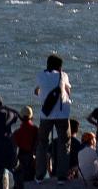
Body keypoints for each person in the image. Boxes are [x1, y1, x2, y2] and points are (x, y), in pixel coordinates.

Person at [35, 54, 74, 182]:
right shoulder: (63, 76)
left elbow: (37, 91)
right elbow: (68, 91)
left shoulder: (40, 75)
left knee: (42, 143)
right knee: (64, 144)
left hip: (45, 115)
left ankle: (40, 175)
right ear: (60, 66)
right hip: (62, 115)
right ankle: (61, 176)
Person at [12, 108, 39, 186]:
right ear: (32, 117)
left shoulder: (17, 132)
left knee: (20, 183)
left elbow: (14, 150)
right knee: (31, 181)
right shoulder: (36, 129)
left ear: (21, 118)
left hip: (22, 158)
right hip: (33, 159)